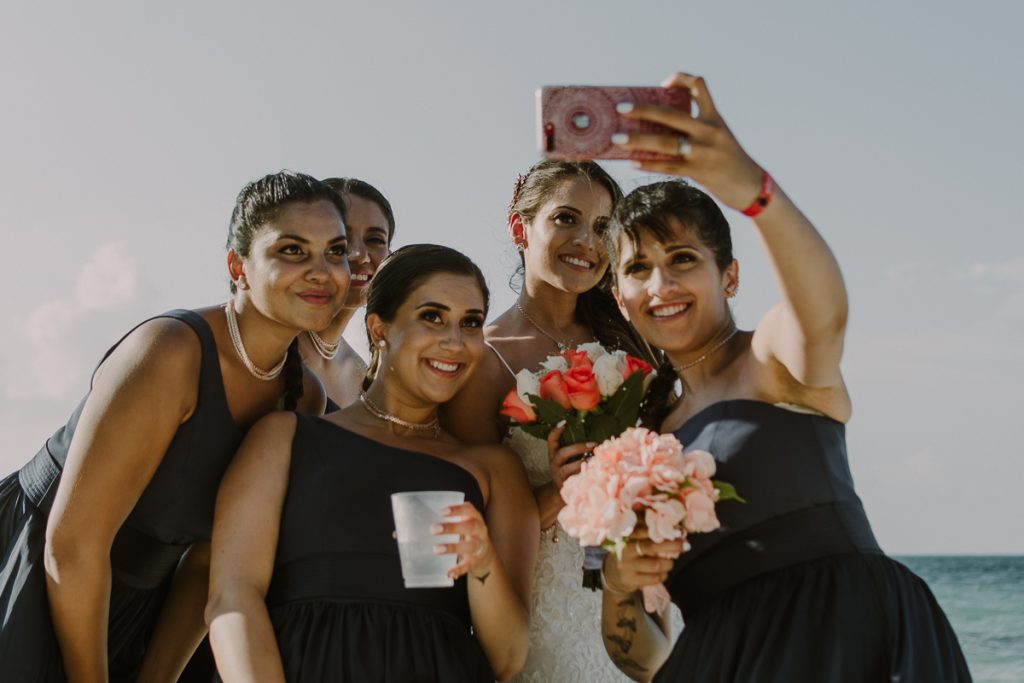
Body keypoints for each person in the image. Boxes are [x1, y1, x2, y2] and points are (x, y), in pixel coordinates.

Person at [599, 73, 972, 682]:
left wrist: (755, 194)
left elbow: (822, 315)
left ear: (731, 277)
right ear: (620, 299)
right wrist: (617, 585)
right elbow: (639, 659)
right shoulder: (638, 436)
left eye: (683, 260)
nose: (661, 286)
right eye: (639, 268)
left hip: (847, 641)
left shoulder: (769, 359)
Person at [0, 170, 350, 682]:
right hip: (35, 571)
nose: (322, 272)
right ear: (238, 267)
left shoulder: (303, 398)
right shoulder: (169, 351)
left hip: (137, 608)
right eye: (292, 251)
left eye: (335, 251)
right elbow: (72, 546)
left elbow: (211, 558)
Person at [206, 244, 538, 682]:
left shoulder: (495, 469)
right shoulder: (286, 437)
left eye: (470, 323)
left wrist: (482, 563)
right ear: (379, 329)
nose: (455, 342)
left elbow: (508, 659)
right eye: (432, 316)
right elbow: (233, 598)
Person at [442, 161, 665, 683]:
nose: (587, 240)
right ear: (521, 228)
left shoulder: (631, 339)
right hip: (549, 605)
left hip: (637, 588)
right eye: (567, 218)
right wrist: (560, 492)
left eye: (604, 226)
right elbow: (477, 525)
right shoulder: (484, 359)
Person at [298, 177, 395, 411]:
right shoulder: (271, 347)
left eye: (374, 240)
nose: (359, 254)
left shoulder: (362, 376)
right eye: (342, 237)